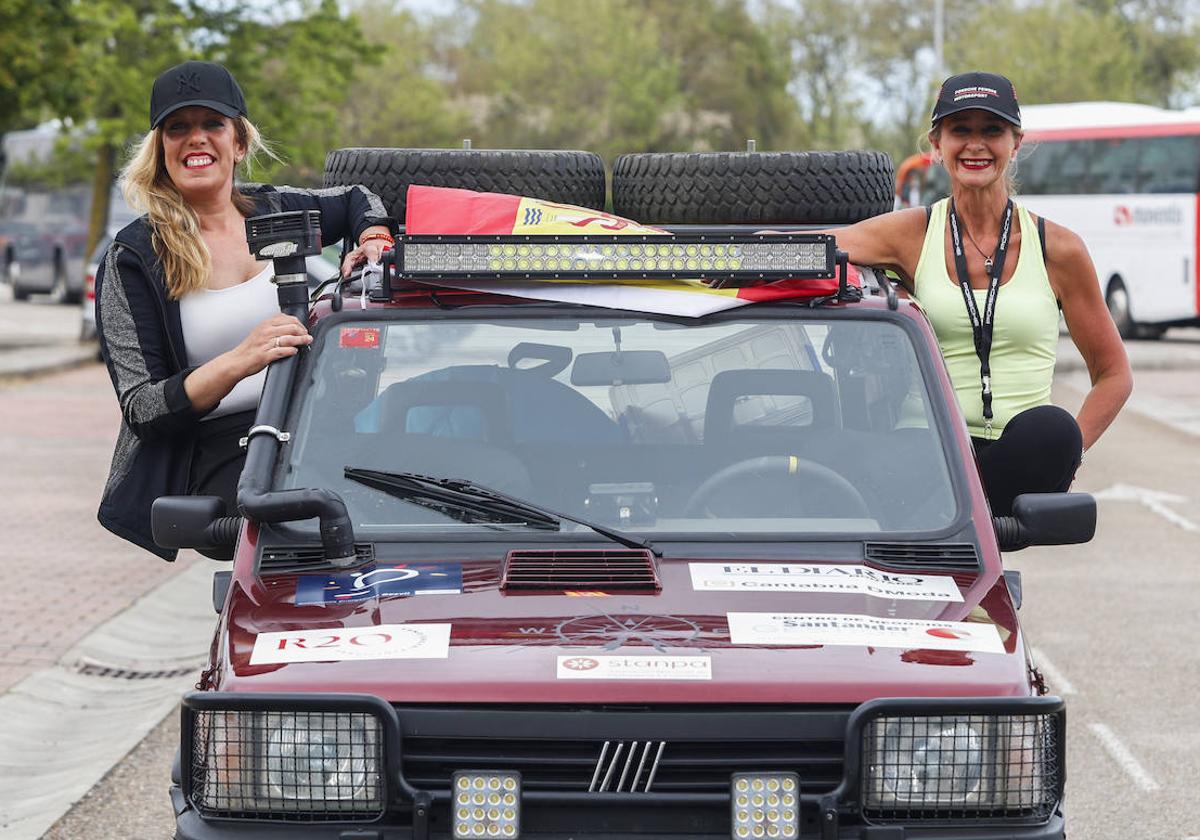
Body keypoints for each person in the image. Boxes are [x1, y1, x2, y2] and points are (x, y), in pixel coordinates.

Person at [95, 60, 395, 560]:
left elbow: (357, 197)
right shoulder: (135, 256)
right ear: (161, 149)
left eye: (212, 124)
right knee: (307, 527)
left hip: (320, 424)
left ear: (238, 143)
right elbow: (143, 408)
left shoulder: (277, 209)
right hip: (224, 450)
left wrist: (373, 236)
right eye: (178, 128)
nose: (196, 139)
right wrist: (241, 358)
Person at [823, 71, 1132, 516]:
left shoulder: (1058, 249)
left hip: (1021, 453)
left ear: (1015, 142)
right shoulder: (913, 233)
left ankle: (966, 518)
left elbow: (1114, 373)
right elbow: (812, 247)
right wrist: (718, 248)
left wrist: (1070, 455)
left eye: (992, 130)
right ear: (936, 144)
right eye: (960, 130)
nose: (975, 144)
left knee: (1053, 430)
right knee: (842, 447)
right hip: (928, 453)